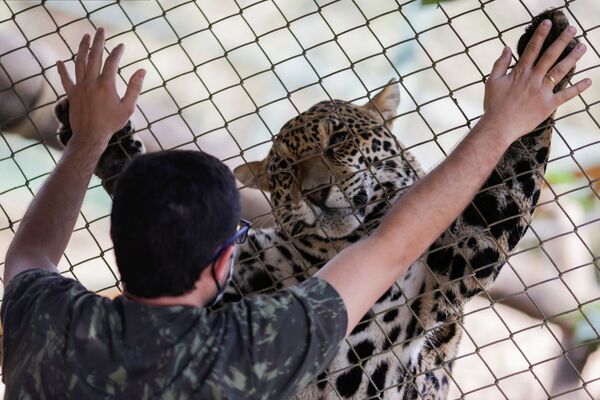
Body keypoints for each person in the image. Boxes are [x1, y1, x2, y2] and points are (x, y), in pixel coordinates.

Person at [1, 21, 590, 399]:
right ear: (226, 258)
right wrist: (513, 127)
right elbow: (394, 247)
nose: (313, 181)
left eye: (338, 146)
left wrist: (94, 143)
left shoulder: (48, 324)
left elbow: (31, 254)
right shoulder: (254, 344)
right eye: (288, 173)